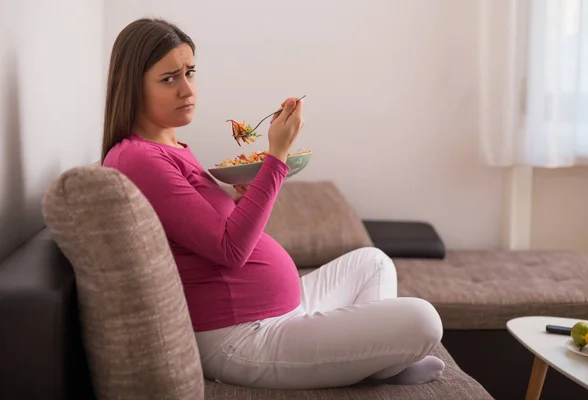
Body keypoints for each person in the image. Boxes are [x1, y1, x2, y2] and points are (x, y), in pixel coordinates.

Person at [101, 18, 445, 390]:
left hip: (280, 310)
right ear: (133, 85)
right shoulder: (139, 159)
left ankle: (378, 362)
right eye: (169, 79)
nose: (188, 89)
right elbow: (231, 249)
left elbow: (223, 233)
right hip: (240, 337)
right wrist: (277, 154)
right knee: (423, 319)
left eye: (190, 72)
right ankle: (379, 361)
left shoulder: (171, 149)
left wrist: (248, 197)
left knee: (373, 262)